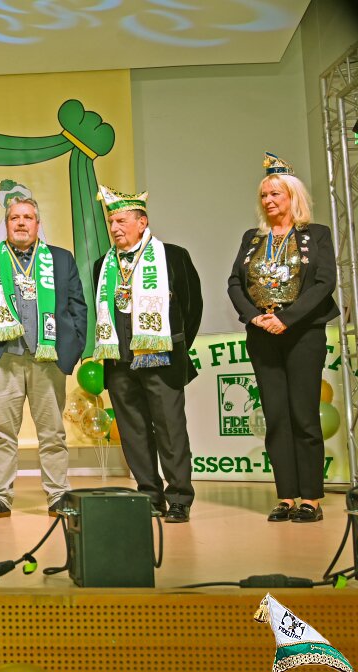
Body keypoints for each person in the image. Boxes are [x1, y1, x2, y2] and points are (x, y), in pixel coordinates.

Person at [227, 153, 339, 523]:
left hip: (303, 333)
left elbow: (324, 283)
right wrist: (255, 316)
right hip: (262, 334)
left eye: (275, 194)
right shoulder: (252, 238)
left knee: (303, 416)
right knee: (275, 417)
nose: (268, 200)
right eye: (264, 195)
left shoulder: (316, 234)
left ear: (293, 197)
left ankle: (311, 498)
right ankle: (286, 496)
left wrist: (286, 319)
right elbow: (234, 283)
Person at [0, 197, 87, 519]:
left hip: (48, 359)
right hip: (3, 358)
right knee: (2, 434)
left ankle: (58, 495)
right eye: (15, 217)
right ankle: (0, 497)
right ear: (6, 224)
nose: (21, 223)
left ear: (37, 224)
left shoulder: (60, 259)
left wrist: (72, 349)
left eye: (28, 217)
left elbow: (78, 307)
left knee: (53, 433)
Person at [91, 185, 202, 523]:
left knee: (170, 430)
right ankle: (149, 495)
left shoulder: (173, 256)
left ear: (142, 222)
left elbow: (192, 306)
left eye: (121, 221)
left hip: (161, 359)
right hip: (119, 362)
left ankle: (179, 497)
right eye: (111, 222)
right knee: (133, 432)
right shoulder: (102, 265)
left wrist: (173, 344)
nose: (115, 228)